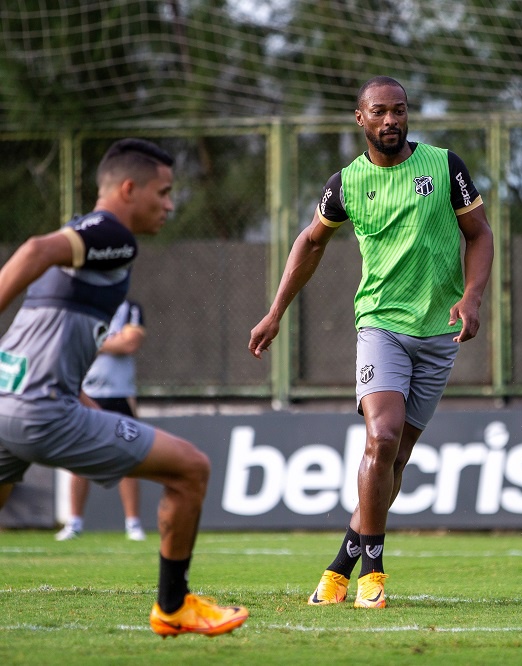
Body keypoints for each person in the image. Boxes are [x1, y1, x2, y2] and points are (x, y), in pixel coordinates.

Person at [248, 76, 494, 609]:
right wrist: (275, 313)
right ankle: (373, 575)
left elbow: (480, 234)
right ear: (360, 119)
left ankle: (340, 565)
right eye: (379, 112)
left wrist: (472, 297)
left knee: (396, 458)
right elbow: (310, 242)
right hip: (381, 325)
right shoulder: (346, 185)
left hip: (439, 333)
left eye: (399, 111)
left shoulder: (445, 167)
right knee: (381, 438)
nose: (391, 121)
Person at [0, 138, 248, 637]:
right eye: (164, 191)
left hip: (8, 405)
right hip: (39, 413)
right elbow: (34, 249)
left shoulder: (94, 243)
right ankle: (174, 607)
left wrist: (83, 401)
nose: (171, 205)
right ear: (129, 189)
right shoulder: (113, 232)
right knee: (191, 470)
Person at [55, 297, 148, 542]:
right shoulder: (80, 306)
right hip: (86, 393)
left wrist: (92, 343)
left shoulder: (130, 308)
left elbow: (129, 343)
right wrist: (109, 342)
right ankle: (74, 523)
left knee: (129, 459)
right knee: (78, 460)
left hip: (119, 395)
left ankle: (133, 524)